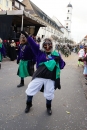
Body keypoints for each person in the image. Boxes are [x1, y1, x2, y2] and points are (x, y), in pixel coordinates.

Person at [23, 31, 65, 115]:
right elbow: (33, 44)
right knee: (30, 89)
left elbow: (62, 65)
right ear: (43, 45)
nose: (47, 46)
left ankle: (48, 107)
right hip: (39, 75)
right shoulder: (39, 52)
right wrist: (27, 36)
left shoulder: (56, 54)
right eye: (45, 44)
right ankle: (28, 104)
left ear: (52, 45)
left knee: (49, 93)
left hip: (50, 77)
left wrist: (59, 60)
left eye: (49, 44)